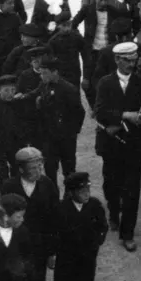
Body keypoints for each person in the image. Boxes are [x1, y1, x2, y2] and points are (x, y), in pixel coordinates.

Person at [0, 147, 60, 281]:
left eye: (40, 165)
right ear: (21, 169)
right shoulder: (8, 187)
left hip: (39, 249)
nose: (38, 170)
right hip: (15, 249)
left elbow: (53, 220)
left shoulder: (48, 185)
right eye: (33, 167)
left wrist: (52, 252)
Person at [93, 41, 141, 250]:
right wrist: (125, 116)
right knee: (111, 184)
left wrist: (139, 118)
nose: (131, 65)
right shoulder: (105, 83)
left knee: (132, 189)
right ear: (117, 60)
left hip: (134, 143)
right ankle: (113, 213)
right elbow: (99, 112)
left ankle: (128, 233)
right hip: (111, 143)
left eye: (134, 60)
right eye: (127, 61)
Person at [54, 171, 108, 281]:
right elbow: (54, 233)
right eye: (81, 190)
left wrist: (97, 242)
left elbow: (102, 226)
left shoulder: (94, 205)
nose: (86, 193)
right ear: (70, 193)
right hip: (66, 258)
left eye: (88, 189)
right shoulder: (61, 209)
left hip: (87, 257)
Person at [37, 55, 86, 189]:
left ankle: (70, 200)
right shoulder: (44, 85)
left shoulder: (68, 89)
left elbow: (80, 112)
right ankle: (53, 201)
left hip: (65, 138)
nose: (42, 76)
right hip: (49, 136)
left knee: (69, 170)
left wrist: (72, 132)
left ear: (55, 72)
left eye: (45, 73)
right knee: (50, 170)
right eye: (41, 73)